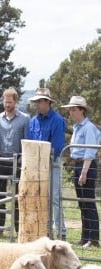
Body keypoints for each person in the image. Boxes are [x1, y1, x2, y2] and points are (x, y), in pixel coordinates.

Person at [0, 88, 30, 237]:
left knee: (19, 196)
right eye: (5, 102)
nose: (7, 104)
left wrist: (23, 160)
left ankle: (19, 229)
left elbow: (26, 141)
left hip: (17, 161)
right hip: (0, 160)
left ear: (16, 102)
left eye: (10, 102)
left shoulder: (25, 118)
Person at [27, 88, 67, 240]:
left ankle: (61, 232)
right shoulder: (33, 121)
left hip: (52, 163)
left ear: (48, 102)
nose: (37, 104)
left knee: (54, 198)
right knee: (41, 197)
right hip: (36, 165)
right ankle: (46, 230)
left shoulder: (57, 120)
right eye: (36, 101)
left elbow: (57, 146)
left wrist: (43, 156)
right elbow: (30, 142)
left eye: (40, 101)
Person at [61, 96, 100, 248]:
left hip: (86, 165)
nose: (71, 112)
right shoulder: (78, 127)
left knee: (88, 202)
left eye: (74, 109)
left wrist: (84, 172)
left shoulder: (88, 127)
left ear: (82, 111)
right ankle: (85, 236)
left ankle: (93, 238)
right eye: (70, 110)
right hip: (78, 164)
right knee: (82, 203)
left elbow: (90, 151)